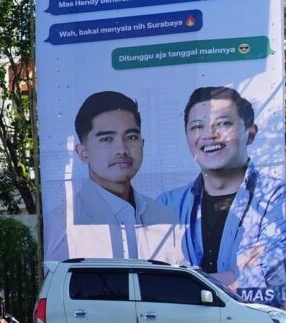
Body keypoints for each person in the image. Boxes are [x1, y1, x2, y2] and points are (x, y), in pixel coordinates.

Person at [159, 86, 286, 310]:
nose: (209, 134)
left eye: (223, 123)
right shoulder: (168, 204)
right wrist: (236, 272)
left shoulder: (274, 196)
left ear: (250, 132)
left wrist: (187, 283)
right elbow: (157, 283)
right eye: (197, 126)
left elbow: (272, 278)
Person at [44, 90, 184, 263]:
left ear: (142, 144)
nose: (122, 150)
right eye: (106, 139)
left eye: (131, 137)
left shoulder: (165, 217)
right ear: (83, 152)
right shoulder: (63, 222)